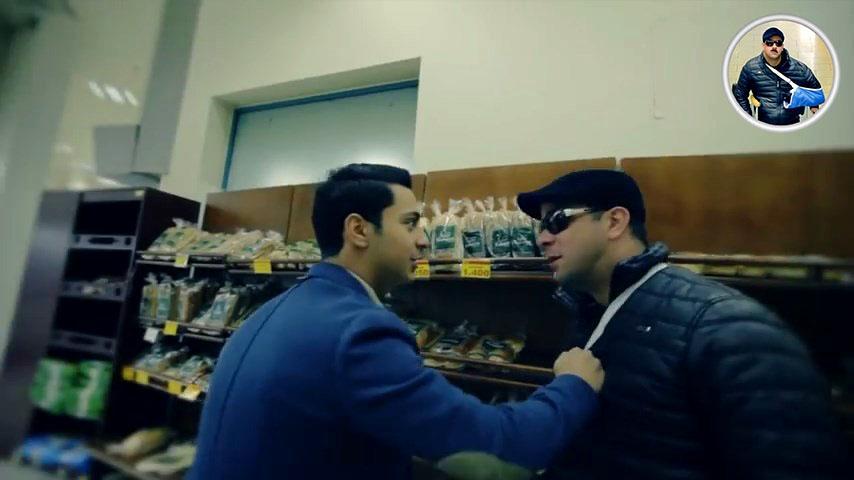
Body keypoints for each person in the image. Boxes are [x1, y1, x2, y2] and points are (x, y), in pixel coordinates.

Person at [189, 164, 605, 479]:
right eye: (410, 223)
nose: (424, 239)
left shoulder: (272, 310)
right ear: (358, 230)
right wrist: (574, 385)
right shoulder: (359, 334)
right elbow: (502, 444)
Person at [516, 169, 847, 479]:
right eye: (540, 226)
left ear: (615, 222)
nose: (542, 238)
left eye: (557, 221)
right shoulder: (589, 313)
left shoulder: (727, 327)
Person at [733, 27, 823, 126]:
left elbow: (815, 89)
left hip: (792, 124)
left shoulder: (799, 69)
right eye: (769, 43)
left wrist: (814, 106)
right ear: (763, 45)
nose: (774, 46)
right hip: (764, 123)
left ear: (782, 46)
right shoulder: (751, 68)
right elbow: (740, 94)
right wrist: (748, 116)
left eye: (778, 43)